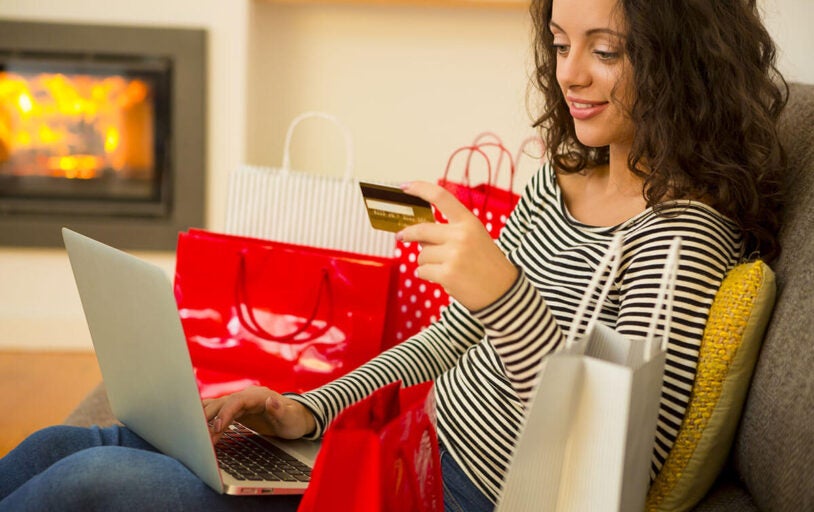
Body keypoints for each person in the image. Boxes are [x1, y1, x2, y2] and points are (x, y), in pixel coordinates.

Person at [0, 0, 787, 510]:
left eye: (605, 50)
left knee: (98, 483)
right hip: (394, 457)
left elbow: (615, 460)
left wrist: (503, 294)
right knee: (75, 444)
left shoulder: (679, 238)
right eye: (558, 42)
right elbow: (450, 341)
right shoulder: (562, 178)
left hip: (460, 497)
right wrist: (307, 408)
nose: (569, 73)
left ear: (683, 60)